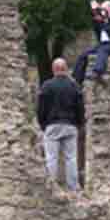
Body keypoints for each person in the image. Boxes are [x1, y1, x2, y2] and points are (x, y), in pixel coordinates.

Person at [37, 58, 85, 191]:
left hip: (52, 125)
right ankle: (73, 188)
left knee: (51, 158)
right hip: (70, 125)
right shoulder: (74, 86)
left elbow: (41, 108)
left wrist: (43, 124)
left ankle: (51, 187)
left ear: (54, 70)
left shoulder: (47, 86)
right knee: (71, 158)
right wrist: (80, 123)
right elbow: (80, 107)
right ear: (65, 69)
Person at [73, 0, 110, 84]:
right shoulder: (107, 18)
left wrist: (102, 21)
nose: (102, 13)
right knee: (84, 54)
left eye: (104, 10)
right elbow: (100, 34)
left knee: (103, 50)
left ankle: (97, 72)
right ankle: (76, 78)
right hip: (107, 44)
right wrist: (97, 21)